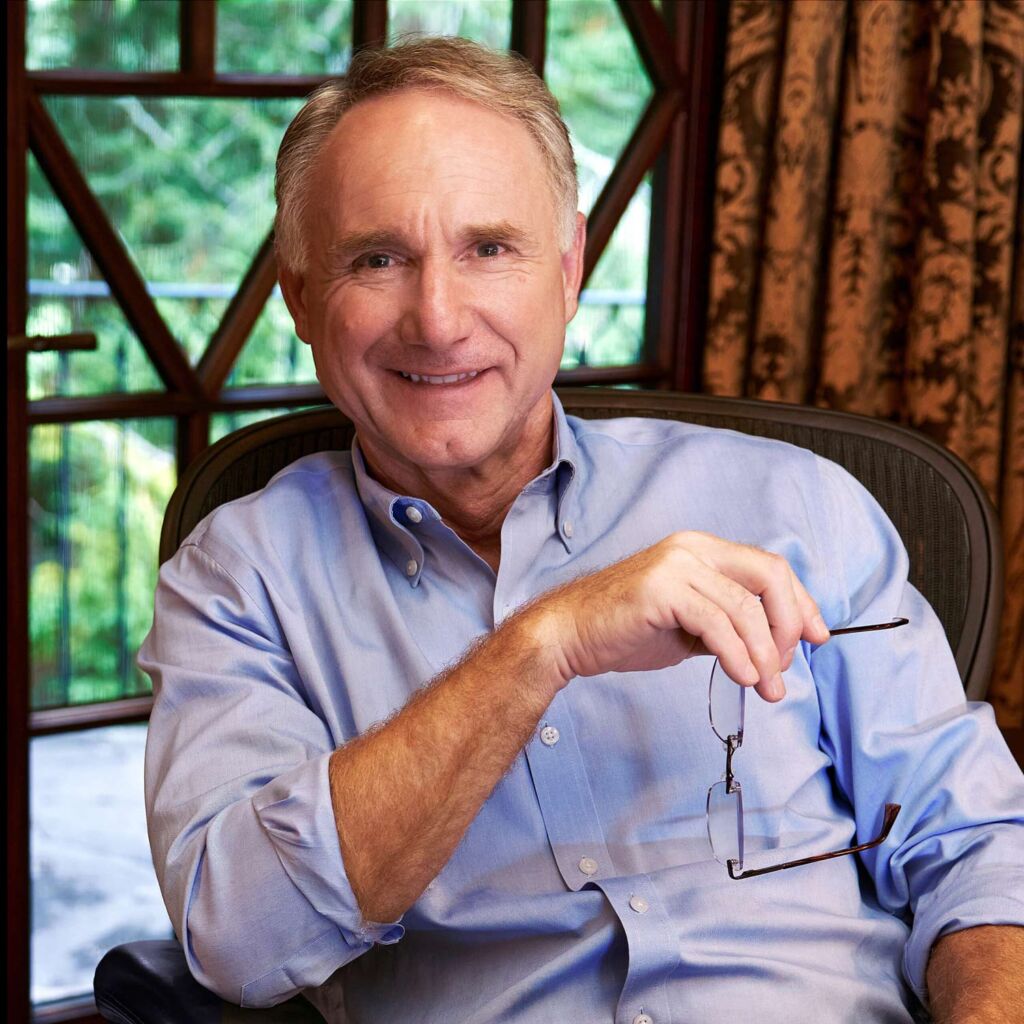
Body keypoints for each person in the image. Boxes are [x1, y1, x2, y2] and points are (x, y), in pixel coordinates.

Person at [140, 37, 1024, 1023]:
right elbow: (236, 944)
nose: (437, 319)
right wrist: (540, 645)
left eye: (489, 248)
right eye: (378, 258)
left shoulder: (800, 507)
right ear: (301, 297)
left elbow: (976, 845)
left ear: (569, 269)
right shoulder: (234, 582)